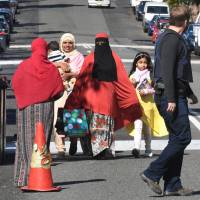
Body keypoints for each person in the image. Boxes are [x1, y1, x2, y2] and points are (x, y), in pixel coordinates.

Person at [140, 5, 198, 196]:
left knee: (176, 138)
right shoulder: (171, 40)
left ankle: (173, 184)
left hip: (174, 94)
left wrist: (188, 92)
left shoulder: (170, 38)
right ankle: (152, 172)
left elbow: (176, 70)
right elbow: (167, 71)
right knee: (183, 137)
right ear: (186, 22)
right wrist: (172, 98)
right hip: (169, 96)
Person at [65, 32, 142, 159]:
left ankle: (88, 148)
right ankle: (102, 149)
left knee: (88, 122)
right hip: (107, 97)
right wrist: (131, 97)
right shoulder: (115, 58)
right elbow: (122, 80)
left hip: (89, 96)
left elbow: (81, 79)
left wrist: (75, 93)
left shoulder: (90, 58)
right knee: (104, 123)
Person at [12, 37, 64, 187]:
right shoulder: (50, 68)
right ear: (45, 50)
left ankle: (22, 178)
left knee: (24, 141)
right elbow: (59, 89)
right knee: (41, 141)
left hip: (25, 108)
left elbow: (15, 83)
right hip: (45, 108)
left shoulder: (24, 66)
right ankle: (40, 178)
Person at [127, 52, 168, 158]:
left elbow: (155, 89)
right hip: (137, 105)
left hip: (148, 106)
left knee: (147, 129)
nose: (143, 64)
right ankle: (136, 147)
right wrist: (131, 84)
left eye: (145, 62)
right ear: (136, 63)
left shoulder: (150, 75)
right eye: (140, 62)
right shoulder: (132, 75)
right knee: (138, 126)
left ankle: (148, 148)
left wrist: (147, 90)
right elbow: (127, 90)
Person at [57, 33, 91, 156]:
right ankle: (60, 147)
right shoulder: (56, 55)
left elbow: (83, 72)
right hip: (59, 91)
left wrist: (70, 74)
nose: (67, 45)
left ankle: (74, 140)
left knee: (74, 116)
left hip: (74, 89)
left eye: (70, 43)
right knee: (59, 116)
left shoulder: (79, 56)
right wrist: (59, 66)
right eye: (65, 42)